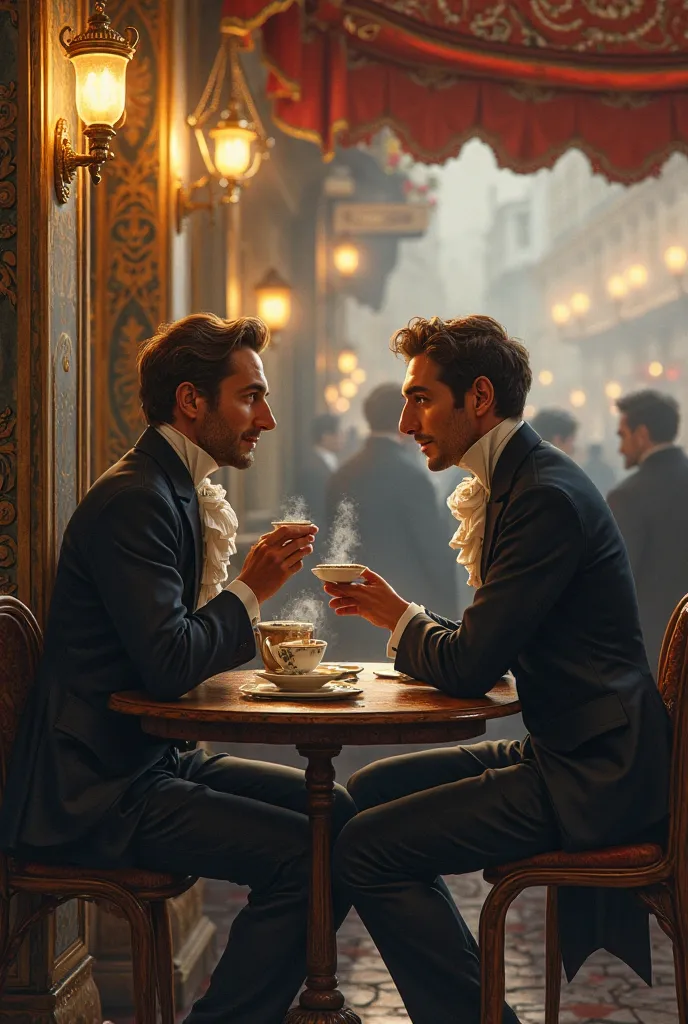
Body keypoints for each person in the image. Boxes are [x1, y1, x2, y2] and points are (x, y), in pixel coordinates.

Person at [0, 313, 356, 1024]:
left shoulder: (169, 488)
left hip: (147, 762)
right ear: (191, 402)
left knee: (337, 816)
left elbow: (171, 649)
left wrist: (246, 600)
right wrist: (250, 587)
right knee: (306, 856)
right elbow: (168, 664)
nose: (269, 418)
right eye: (251, 396)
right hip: (98, 791)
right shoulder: (138, 498)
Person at [322, 316, 670, 1024]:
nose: (405, 418)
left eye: (421, 398)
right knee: (364, 791)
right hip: (571, 748)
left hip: (594, 772)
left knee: (366, 848)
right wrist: (406, 618)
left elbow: (472, 664)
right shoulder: (523, 480)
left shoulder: (540, 495)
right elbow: (485, 646)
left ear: (478, 397)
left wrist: (398, 619)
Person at [326, 382, 457, 660]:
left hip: (348, 605)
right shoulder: (411, 475)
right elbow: (432, 551)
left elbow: (331, 541)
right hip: (401, 609)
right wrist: (451, 614)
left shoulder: (343, 473)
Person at [608, 389, 688, 674]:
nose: (620, 448)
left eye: (622, 435)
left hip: (657, 648)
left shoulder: (628, 495)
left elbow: (618, 583)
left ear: (641, 434)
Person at [296, 411, 343, 528]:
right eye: (339, 433)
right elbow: (315, 509)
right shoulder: (312, 468)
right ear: (326, 436)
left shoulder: (329, 461)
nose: (343, 437)